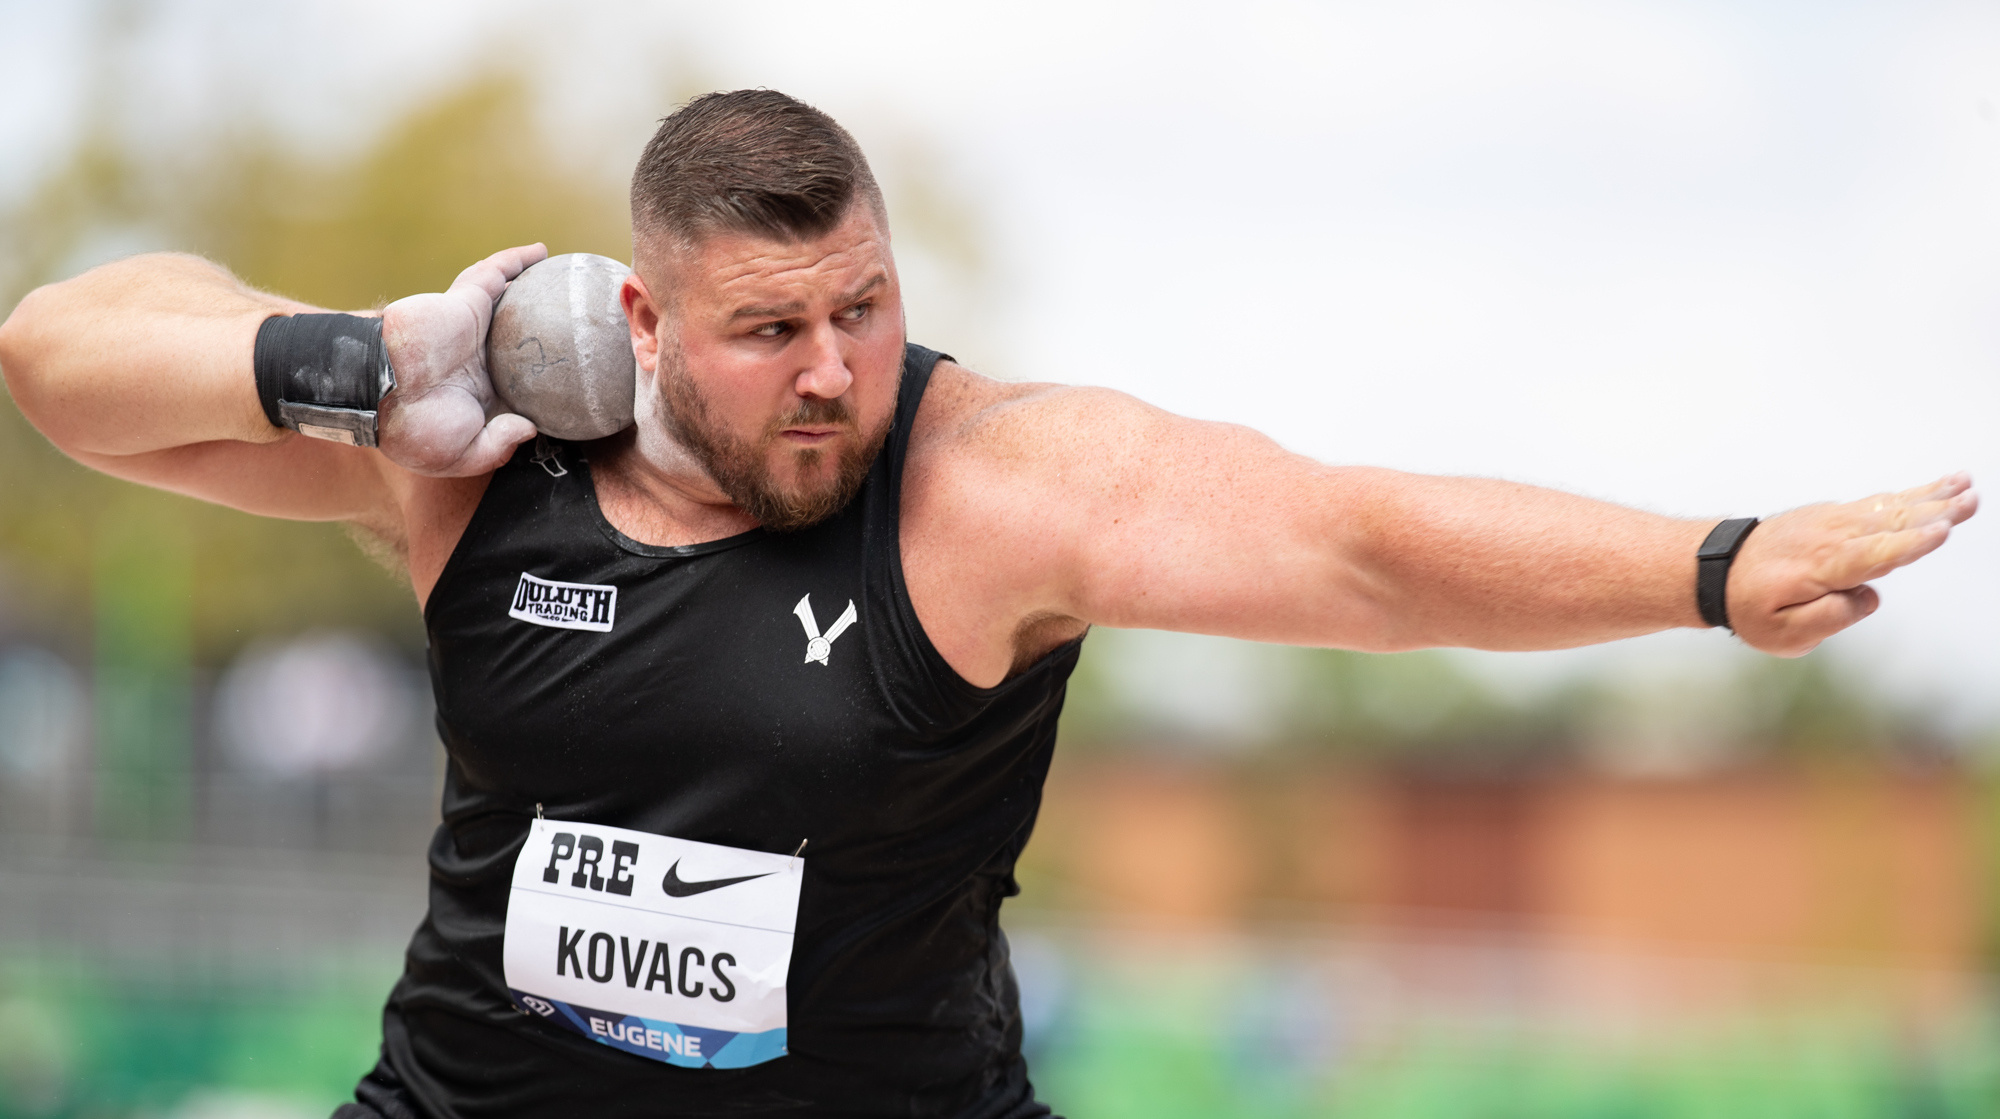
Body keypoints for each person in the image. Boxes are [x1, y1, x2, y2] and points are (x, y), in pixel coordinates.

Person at [0, 89, 1976, 1119]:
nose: (836, 366)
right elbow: (63, 356)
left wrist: (1708, 567)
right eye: (769, 329)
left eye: (862, 301)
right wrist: (369, 350)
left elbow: (1354, 544)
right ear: (639, 322)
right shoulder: (470, 457)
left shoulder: (992, 488)